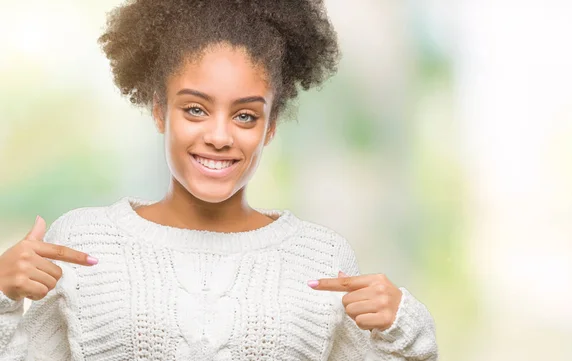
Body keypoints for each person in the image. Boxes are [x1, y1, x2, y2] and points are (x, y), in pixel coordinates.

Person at [0, 0, 438, 360]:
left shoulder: (320, 259)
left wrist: (403, 324)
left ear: (270, 127)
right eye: (194, 109)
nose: (219, 136)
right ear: (158, 109)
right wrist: (1, 292)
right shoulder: (84, 243)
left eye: (245, 115)